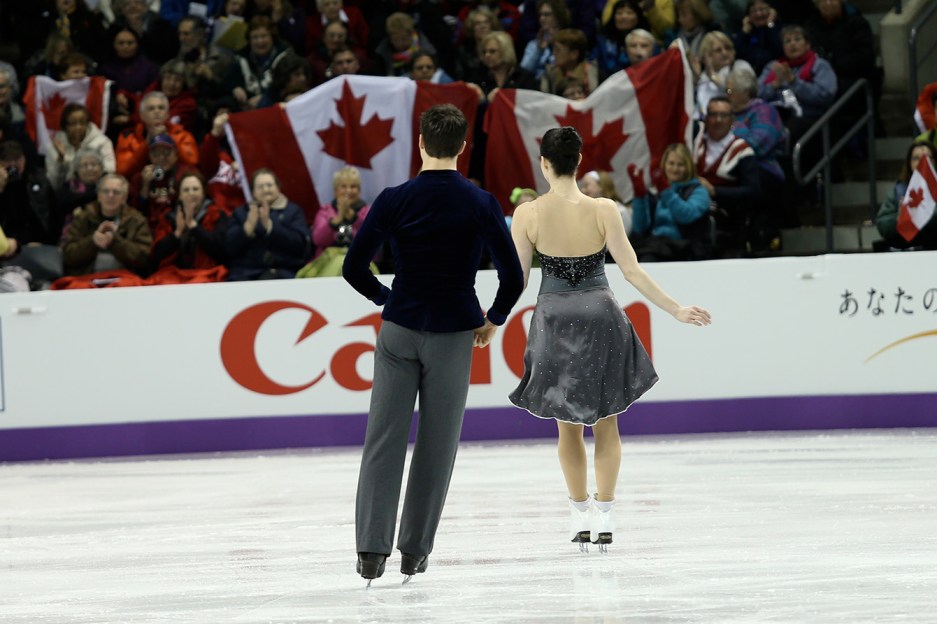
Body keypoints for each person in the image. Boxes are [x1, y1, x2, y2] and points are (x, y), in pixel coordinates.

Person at [342, 104, 524, 585]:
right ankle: (413, 552)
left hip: (400, 329)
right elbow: (513, 275)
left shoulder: (394, 198)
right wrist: (494, 319)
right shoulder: (480, 203)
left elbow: (352, 267)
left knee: (383, 439)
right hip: (453, 333)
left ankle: (370, 552)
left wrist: (389, 296)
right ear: (463, 147)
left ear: (421, 143)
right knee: (436, 445)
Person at [509, 126, 710, 552]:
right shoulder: (604, 209)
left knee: (568, 430)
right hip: (601, 316)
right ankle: (606, 513)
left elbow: (518, 280)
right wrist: (674, 308)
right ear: (579, 163)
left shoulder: (527, 214)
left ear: (544, 163)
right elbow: (632, 271)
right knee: (607, 423)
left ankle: (579, 513)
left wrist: (490, 320)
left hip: (555, 318)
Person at [693, 95, 760, 254]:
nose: (718, 120)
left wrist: (715, 191)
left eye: (723, 115)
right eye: (713, 115)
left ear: (732, 120)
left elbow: (753, 192)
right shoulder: (694, 143)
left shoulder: (742, 150)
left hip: (727, 224)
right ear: (706, 118)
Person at [628, 142, 716, 260]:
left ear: (688, 166)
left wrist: (665, 190)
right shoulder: (656, 192)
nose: (675, 169)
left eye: (680, 165)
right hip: (656, 246)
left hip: (686, 250)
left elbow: (686, 215)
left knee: (647, 259)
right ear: (664, 164)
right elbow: (640, 228)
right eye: (671, 163)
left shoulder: (699, 191)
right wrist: (639, 196)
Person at [224, 168, 309, 280]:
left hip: (283, 271)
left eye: (269, 185)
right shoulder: (242, 212)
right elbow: (228, 249)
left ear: (278, 188)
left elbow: (301, 245)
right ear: (253, 192)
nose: (265, 190)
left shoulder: (292, 211)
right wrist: (246, 230)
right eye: (260, 187)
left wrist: (271, 227)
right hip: (244, 272)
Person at [60, 173, 152, 276]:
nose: (110, 196)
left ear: (124, 198)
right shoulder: (83, 218)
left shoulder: (136, 220)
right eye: (106, 191)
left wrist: (115, 241)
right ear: (99, 195)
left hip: (126, 280)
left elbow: (144, 258)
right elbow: (68, 255)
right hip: (87, 279)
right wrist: (93, 242)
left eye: (116, 192)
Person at [149, 171, 228, 273]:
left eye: (195, 189)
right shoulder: (168, 217)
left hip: (206, 273)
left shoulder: (216, 214)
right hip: (172, 274)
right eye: (186, 190)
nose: (191, 193)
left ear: (203, 192)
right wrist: (177, 233)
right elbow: (157, 255)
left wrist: (193, 225)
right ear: (179, 195)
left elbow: (220, 251)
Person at [116, 91, 199, 180]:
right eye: (151, 108)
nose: (157, 111)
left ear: (168, 114)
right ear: (142, 115)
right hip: (140, 185)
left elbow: (193, 163)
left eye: (161, 108)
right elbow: (122, 170)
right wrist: (146, 143)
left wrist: (169, 137)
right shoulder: (128, 136)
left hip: (175, 184)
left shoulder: (182, 134)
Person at [875, 140, 937, 251]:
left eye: (927, 157)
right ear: (909, 163)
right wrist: (899, 217)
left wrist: (921, 213)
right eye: (916, 158)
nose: (922, 162)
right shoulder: (899, 190)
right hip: (906, 252)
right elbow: (882, 223)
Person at [45, 103, 117, 189]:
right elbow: (54, 184)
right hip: (67, 195)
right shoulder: (56, 146)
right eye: (72, 123)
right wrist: (61, 160)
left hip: (95, 192)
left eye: (82, 123)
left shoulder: (102, 142)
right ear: (65, 126)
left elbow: (109, 174)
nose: (78, 127)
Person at [311, 166, 369, 259]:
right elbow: (318, 240)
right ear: (335, 190)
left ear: (359, 190)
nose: (348, 191)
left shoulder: (368, 212)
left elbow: (371, 239)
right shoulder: (325, 212)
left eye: (353, 186)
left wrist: (353, 217)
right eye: (343, 186)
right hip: (328, 261)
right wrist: (338, 219)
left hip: (362, 261)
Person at [695, 31, 753, 120]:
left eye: (728, 48)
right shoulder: (703, 77)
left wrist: (713, 76)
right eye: (718, 50)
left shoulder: (741, 67)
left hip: (740, 119)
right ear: (707, 55)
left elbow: (732, 93)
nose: (725, 53)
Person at [540, 28, 599, 96]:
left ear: (574, 54)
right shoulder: (549, 76)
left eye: (558, 50)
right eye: (553, 49)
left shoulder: (596, 75)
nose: (554, 53)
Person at [733, 0, 782, 75]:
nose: (759, 14)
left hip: (776, 71)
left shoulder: (779, 28)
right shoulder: (746, 33)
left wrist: (770, 24)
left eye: (762, 9)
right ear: (748, 15)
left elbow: (778, 50)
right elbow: (737, 55)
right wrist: (744, 32)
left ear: (771, 11)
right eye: (754, 11)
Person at [579, 169, 633, 234]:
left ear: (601, 186)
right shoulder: (587, 217)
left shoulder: (620, 212)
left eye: (586, 185)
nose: (583, 190)